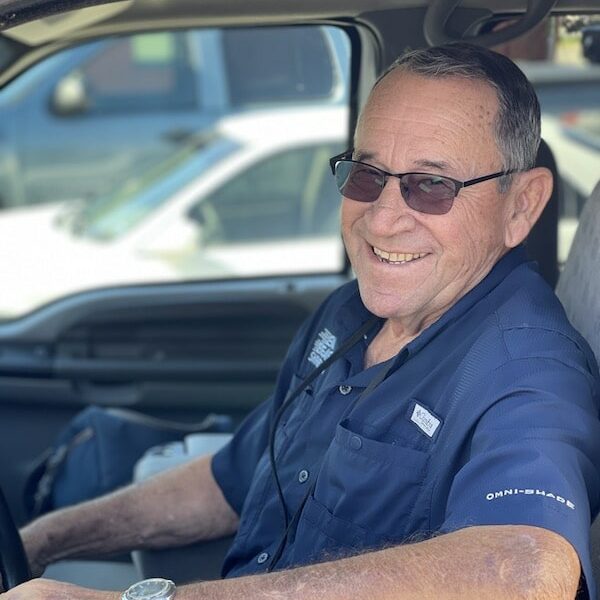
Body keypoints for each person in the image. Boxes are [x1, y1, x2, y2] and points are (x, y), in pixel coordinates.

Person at [3, 42, 600, 600]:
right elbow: (228, 481)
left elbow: (524, 567)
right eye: (366, 175)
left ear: (520, 206)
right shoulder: (349, 315)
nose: (382, 220)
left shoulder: (528, 369)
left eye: (431, 186)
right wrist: (44, 540)